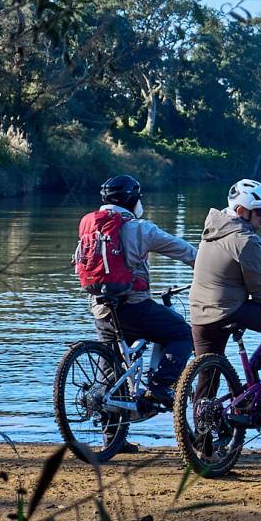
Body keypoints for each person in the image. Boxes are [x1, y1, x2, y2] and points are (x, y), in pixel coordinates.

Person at [75, 175, 196, 411]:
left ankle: (109, 425)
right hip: (134, 307)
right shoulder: (140, 229)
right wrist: (207, 267)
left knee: (110, 372)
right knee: (182, 334)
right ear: (133, 200)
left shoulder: (90, 226)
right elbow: (184, 250)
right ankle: (160, 385)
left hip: (101, 307)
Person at [189, 179, 261, 359]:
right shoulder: (246, 240)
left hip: (199, 314)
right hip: (227, 312)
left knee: (208, 371)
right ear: (241, 211)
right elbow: (258, 291)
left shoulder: (212, 229)